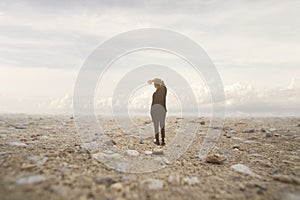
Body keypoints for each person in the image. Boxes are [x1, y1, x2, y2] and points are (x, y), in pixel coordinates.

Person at [148, 78, 167, 146]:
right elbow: (163, 83)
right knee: (162, 126)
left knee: (156, 126)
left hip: (156, 111)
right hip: (162, 111)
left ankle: (158, 141)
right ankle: (163, 141)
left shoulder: (157, 93)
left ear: (156, 84)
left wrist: (152, 80)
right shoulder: (163, 90)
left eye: (154, 84)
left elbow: (153, 104)